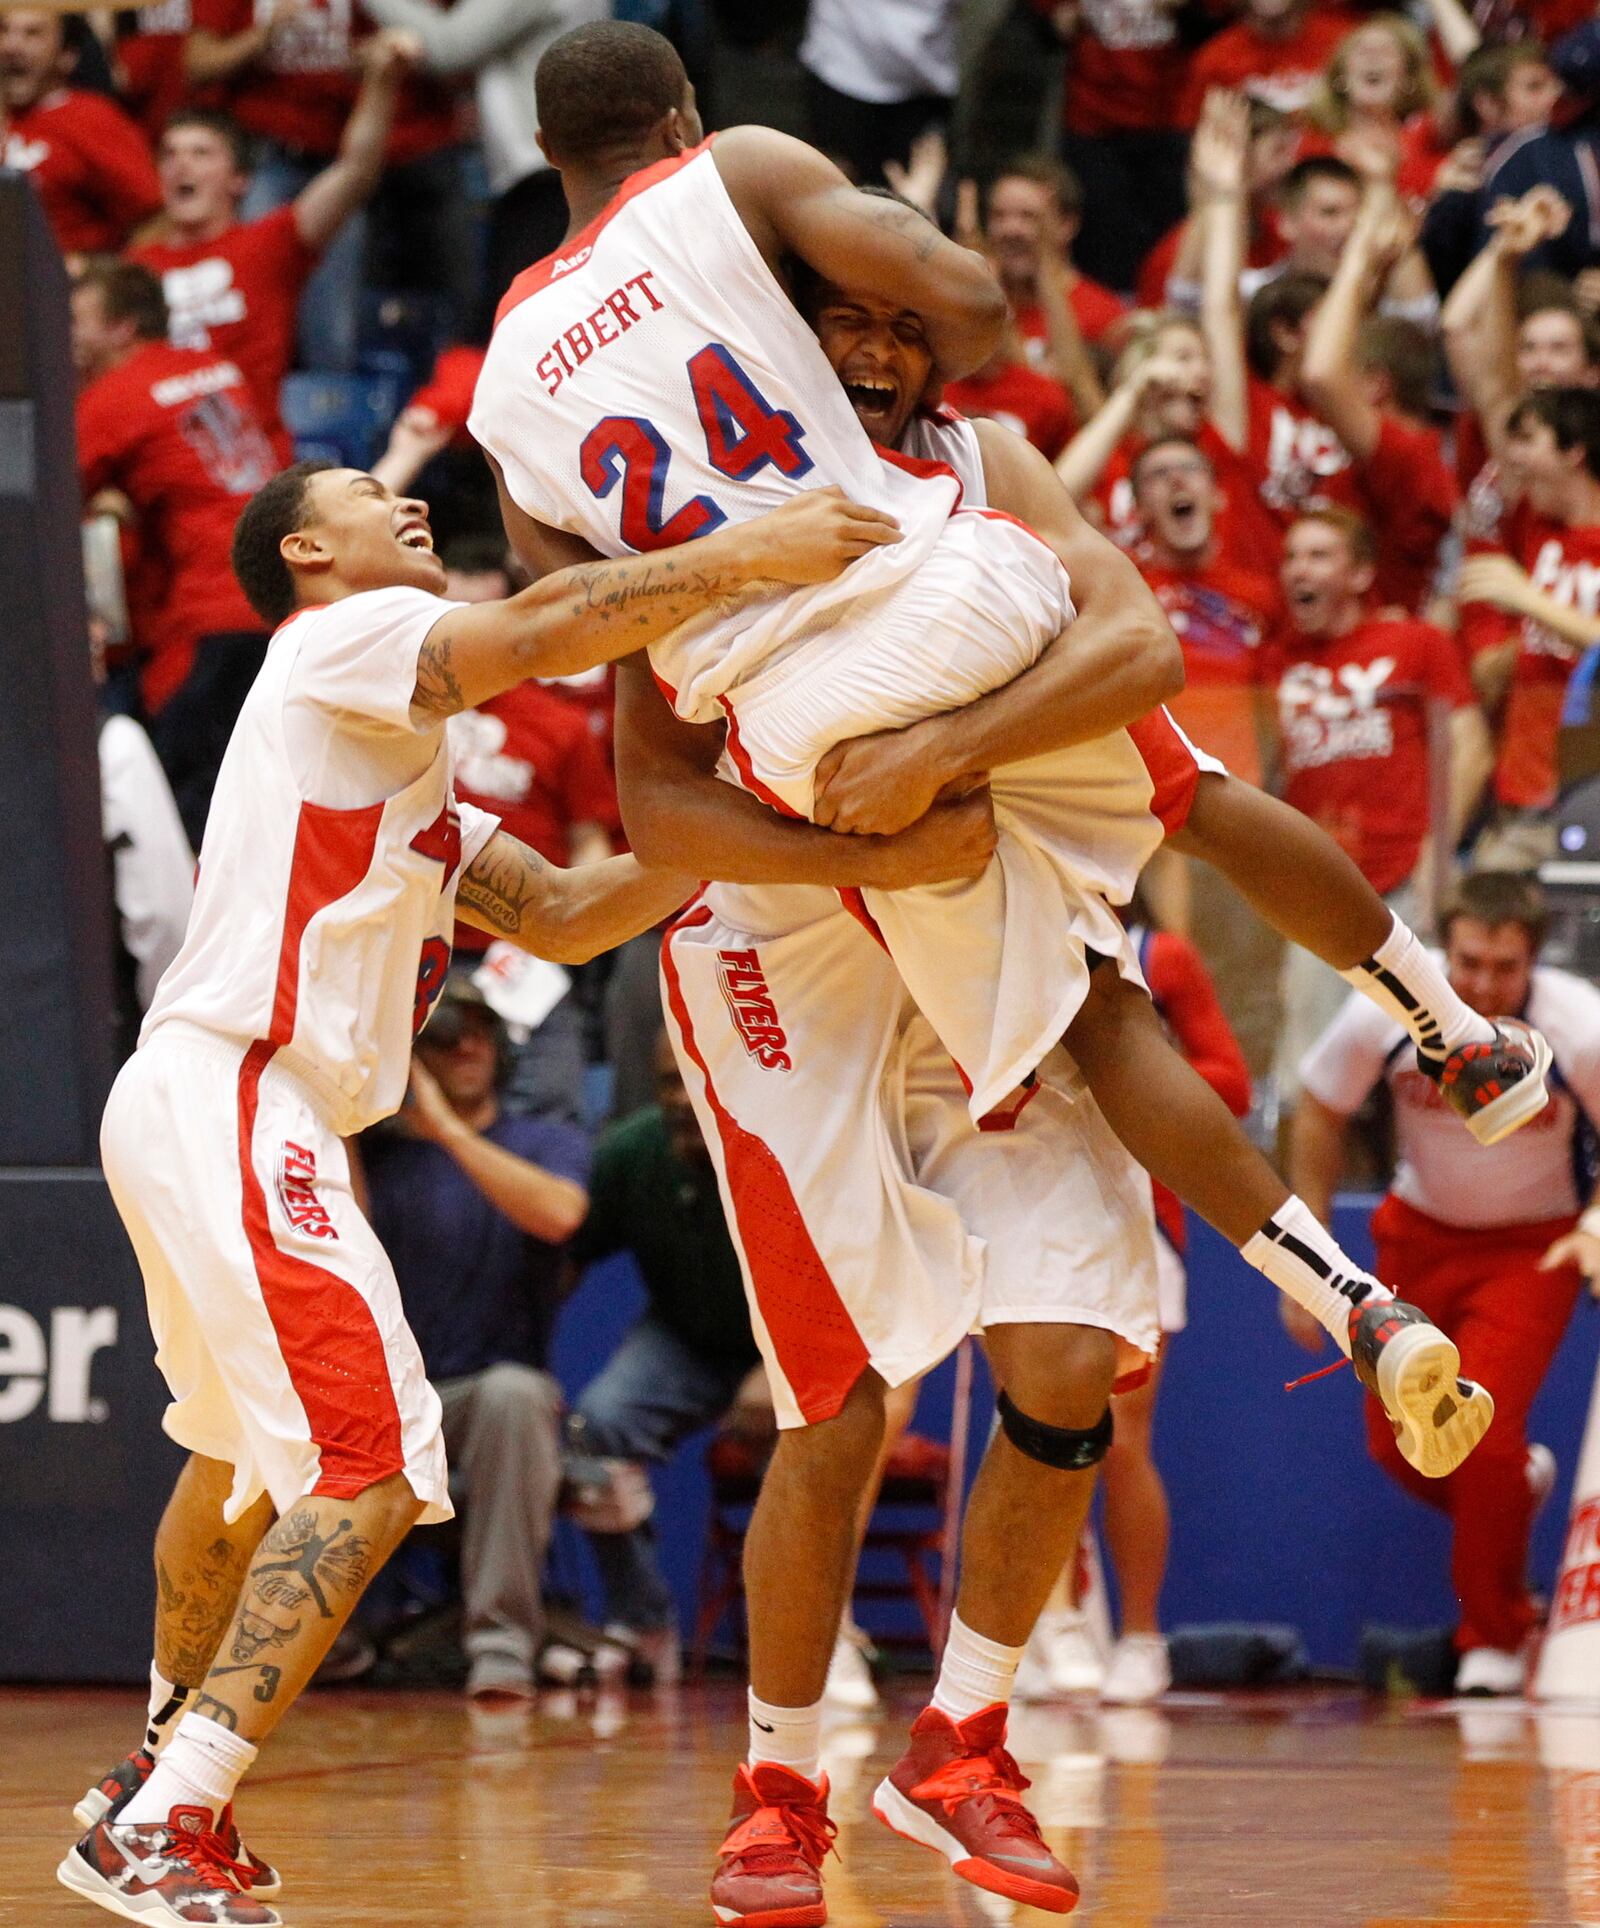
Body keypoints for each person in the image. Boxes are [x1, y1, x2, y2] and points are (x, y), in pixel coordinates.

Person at [480, 31, 1523, 1916]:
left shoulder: (983, 460)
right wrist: (868, 828)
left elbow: (1142, 679)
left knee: (1064, 1355)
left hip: (930, 789)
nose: (880, 347)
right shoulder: (748, 479)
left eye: (895, 327)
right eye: (849, 323)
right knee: (840, 1394)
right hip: (783, 914)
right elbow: (655, 802)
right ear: (790, 303)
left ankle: (965, 1742)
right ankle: (784, 1782)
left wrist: (926, 782)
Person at [59, 456, 901, 1924]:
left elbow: (573, 913)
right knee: (373, 1470)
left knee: (238, 1465)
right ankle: (173, 1815)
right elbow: (546, 626)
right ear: (306, 552)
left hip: (207, 1097)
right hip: (247, 1091)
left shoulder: (395, 752)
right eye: (367, 493)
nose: (405, 504)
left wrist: (793, 841)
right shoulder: (341, 642)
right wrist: (752, 552)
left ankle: (148, 1786)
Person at [1289, 871, 1600, 1694]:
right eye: (1468, 963)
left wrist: (1595, 1225)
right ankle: (1512, 1489)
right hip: (1417, 1237)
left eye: (1505, 968)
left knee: (1483, 1431)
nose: (1483, 985)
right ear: (1442, 949)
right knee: (1399, 1445)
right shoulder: (1385, 1009)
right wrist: (1305, 1256)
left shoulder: (1578, 1029)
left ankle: (1493, 1640)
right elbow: (1317, 1109)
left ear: (1535, 960)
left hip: (1531, 1251)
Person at [1027, 912, 1252, 1706]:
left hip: (1144, 1206)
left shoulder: (1165, 955)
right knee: (1034, 1426)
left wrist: (1128, 1066)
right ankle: (1043, 1628)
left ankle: (1141, 1636)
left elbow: (1232, 1079)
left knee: (1122, 1438)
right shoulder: (1013, 932)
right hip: (1037, 1196)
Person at [362, 978, 590, 1701]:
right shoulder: (378, 1159)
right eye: (447, 1035)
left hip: (485, 1398)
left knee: (516, 1395)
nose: (469, 1046)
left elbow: (559, 1215)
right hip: (392, 1398)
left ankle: (501, 1649)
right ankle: (328, 1644)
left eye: (483, 1032)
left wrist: (449, 1131)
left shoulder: (544, 1141)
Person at [564, 1030, 763, 1685]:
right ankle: (644, 1616)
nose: (679, 1100)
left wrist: (786, 1371)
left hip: (788, 1342)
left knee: (803, 1429)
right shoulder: (634, 1150)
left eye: (694, 1082)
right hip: (682, 1337)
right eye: (665, 1084)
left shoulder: (781, 1143)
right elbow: (566, 1254)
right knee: (598, 1422)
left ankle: (823, 1626)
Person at [1273, 507, 1492, 1088]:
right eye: (1291, 557)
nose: (1299, 569)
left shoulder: (1415, 642)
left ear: (1362, 574)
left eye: (1319, 555)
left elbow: (1470, 748)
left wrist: (1433, 856)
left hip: (1407, 886)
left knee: (1426, 1064)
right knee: (1308, 1072)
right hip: (1316, 895)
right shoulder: (1274, 661)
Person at [72, 259, 279, 849]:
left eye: (77, 320)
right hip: (279, 608)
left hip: (208, 621)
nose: (66, 335)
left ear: (122, 328)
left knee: (185, 816)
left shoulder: (115, 397)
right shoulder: (211, 366)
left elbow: (40, 498)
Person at [129, 38, 414, 454]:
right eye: (169, 155)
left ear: (240, 179)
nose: (182, 165)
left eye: (201, 153)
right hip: (157, 459)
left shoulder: (268, 244)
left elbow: (356, 172)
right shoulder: (134, 270)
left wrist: (381, 83)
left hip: (252, 463)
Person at [1457, 388, 1600, 870]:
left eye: (1528, 440)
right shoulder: (1536, 529)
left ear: (1574, 449)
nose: (1513, 456)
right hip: (1521, 801)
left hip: (1590, 794)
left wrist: (1529, 600)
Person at [0, 8, 161, 256]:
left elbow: (154, 217)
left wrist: (102, 281)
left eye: (33, 34)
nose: (11, 46)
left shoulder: (91, 117)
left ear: (68, 55)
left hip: (60, 283)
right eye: (4, 31)